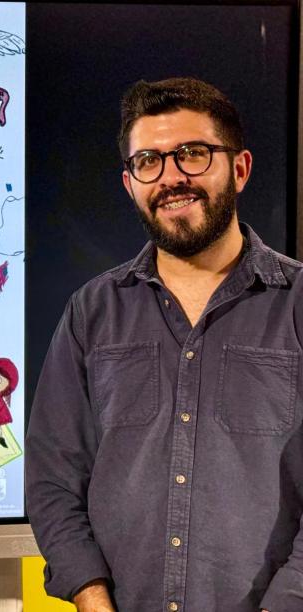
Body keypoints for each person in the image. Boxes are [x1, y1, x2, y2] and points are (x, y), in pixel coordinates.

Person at [26, 78, 303, 612]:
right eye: (148, 161)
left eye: (193, 154)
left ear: (240, 168)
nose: (171, 178)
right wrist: (90, 596)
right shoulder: (91, 313)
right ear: (130, 183)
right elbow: (52, 478)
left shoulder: (297, 305)